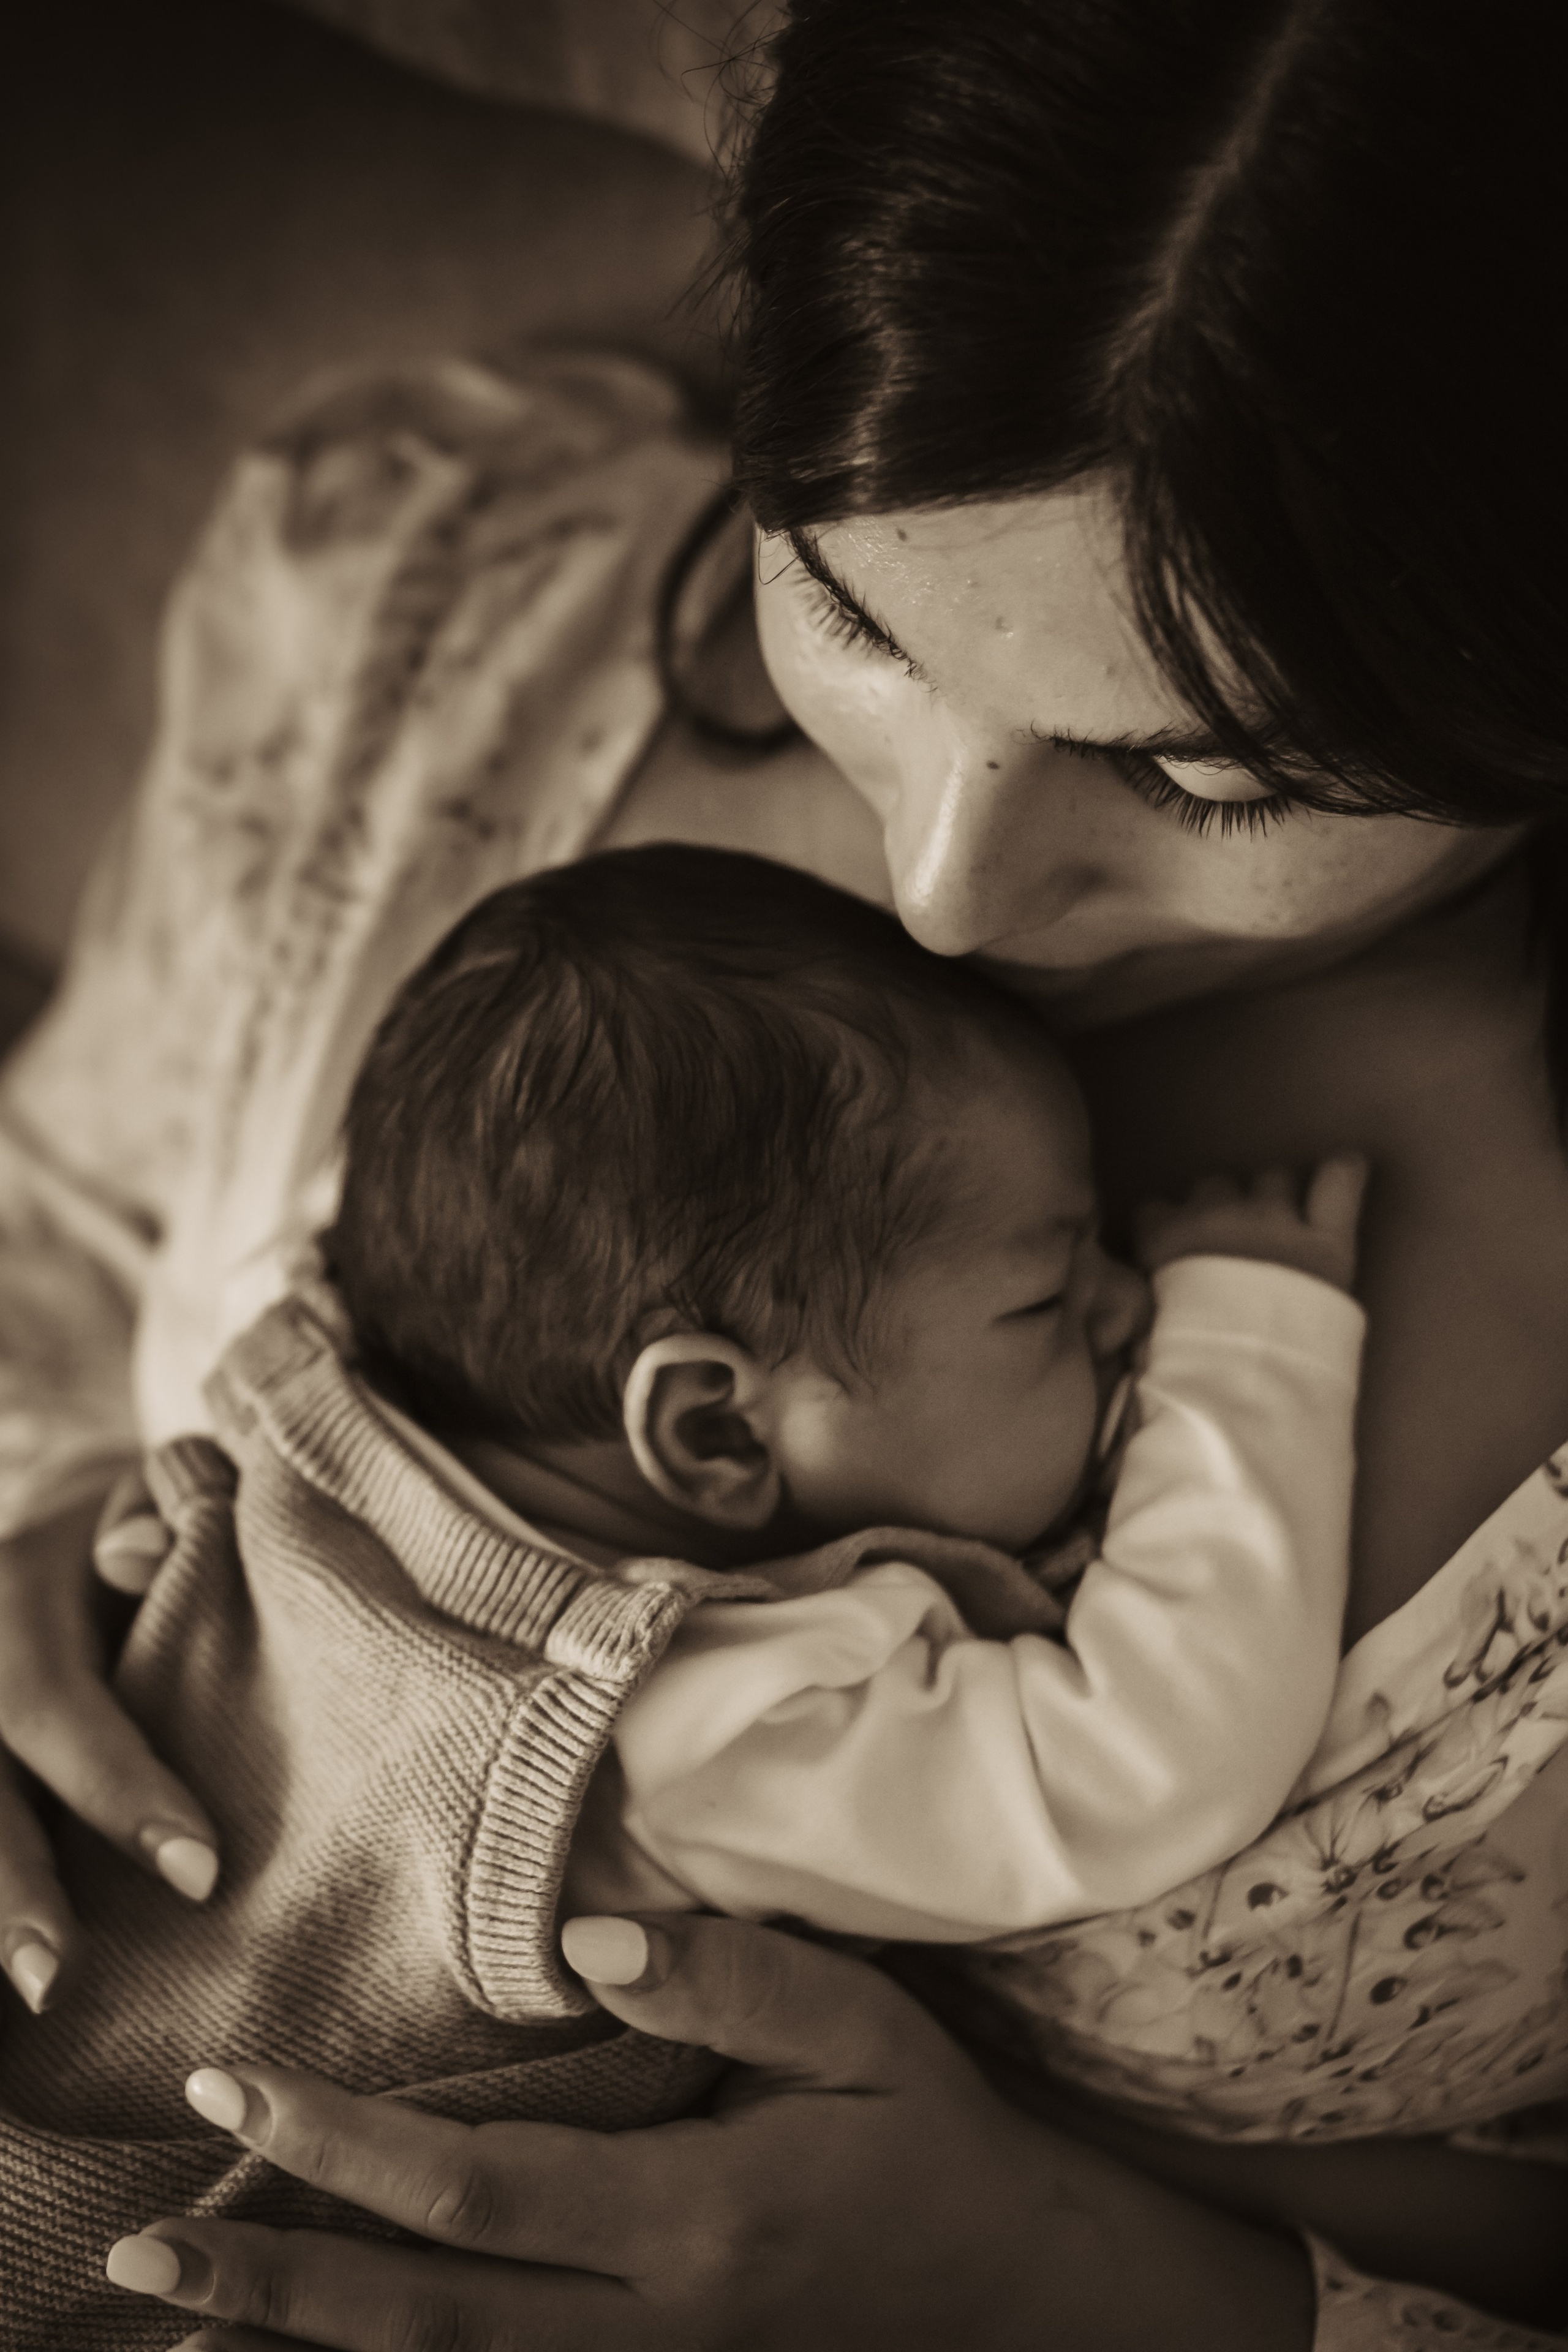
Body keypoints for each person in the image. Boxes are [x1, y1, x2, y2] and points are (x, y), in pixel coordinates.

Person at [0, 0, 1563, 2345]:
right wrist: (63, 1563)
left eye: (1222, 774)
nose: (948, 887)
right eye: (846, 603)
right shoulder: (436, 612)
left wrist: (1094, 2287)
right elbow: (54, 1250)